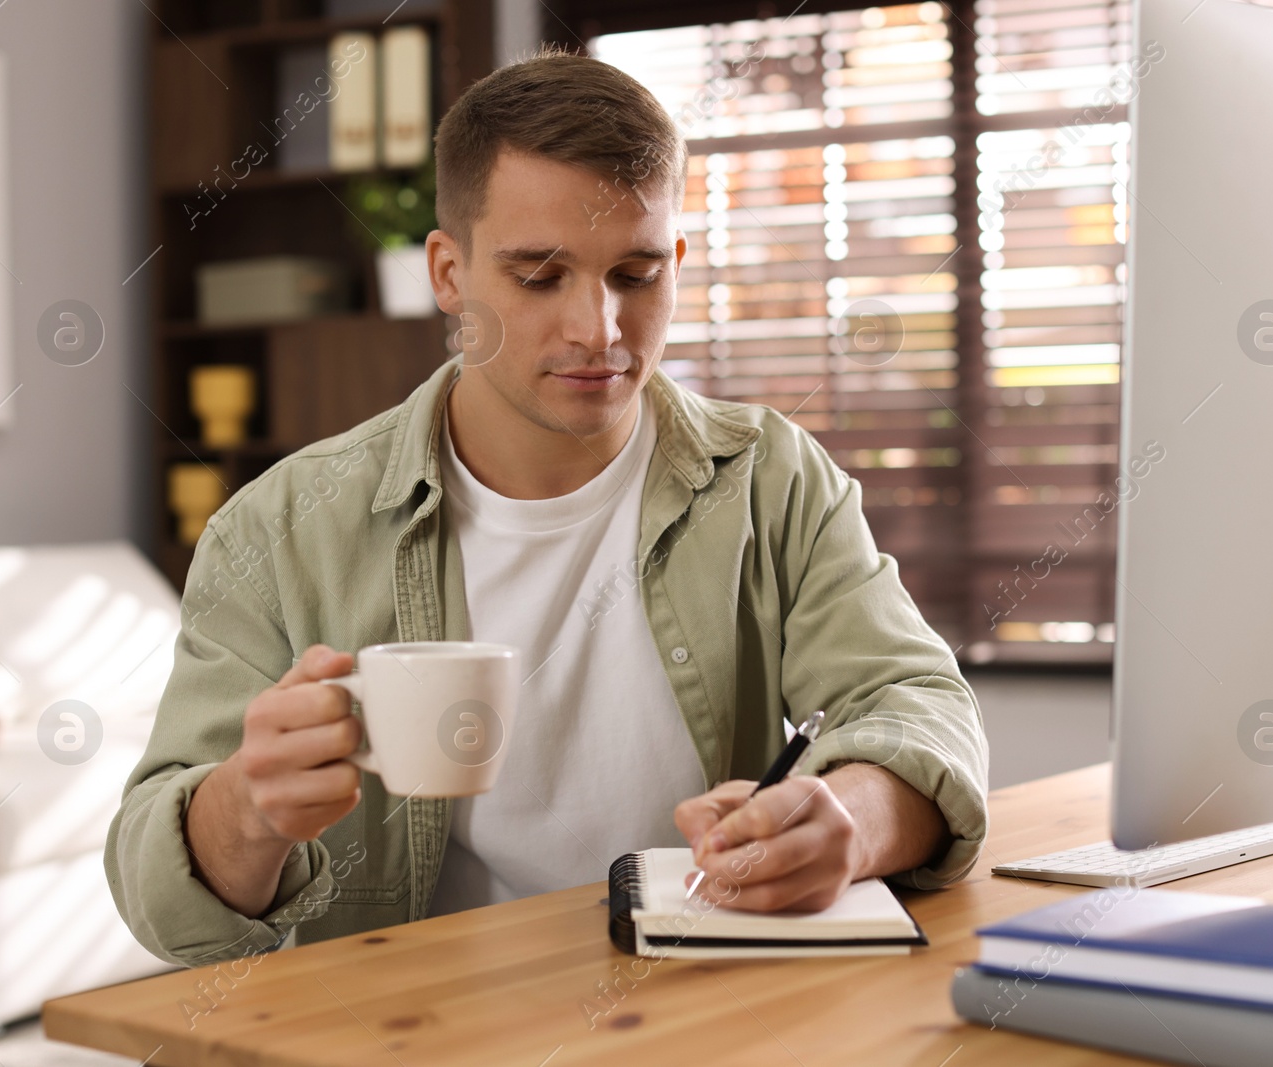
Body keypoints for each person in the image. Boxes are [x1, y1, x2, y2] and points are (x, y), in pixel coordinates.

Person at [107, 46, 987, 966]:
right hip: (409, 1027)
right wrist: (249, 808)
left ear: (678, 261)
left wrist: (849, 816)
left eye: (637, 274)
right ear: (449, 275)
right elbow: (159, 902)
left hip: (699, 1005)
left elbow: (917, 702)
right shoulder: (278, 527)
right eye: (539, 276)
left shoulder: (770, 476)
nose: (596, 329)